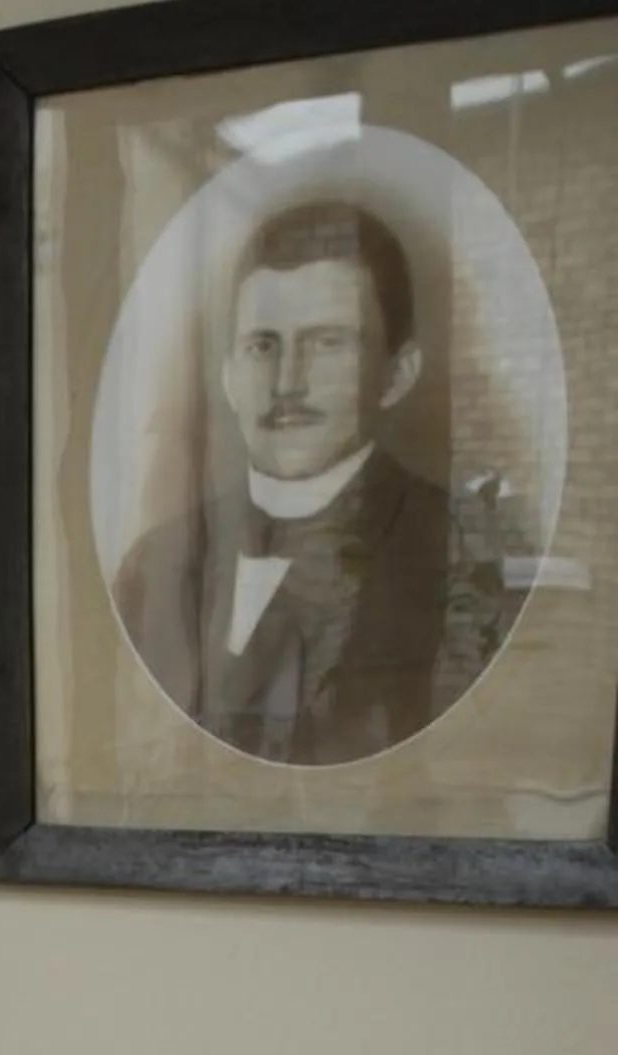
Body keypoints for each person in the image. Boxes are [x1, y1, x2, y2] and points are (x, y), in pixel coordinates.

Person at [112, 198, 515, 765]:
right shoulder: (152, 564)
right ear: (228, 376)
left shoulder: (455, 554)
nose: (287, 384)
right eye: (262, 346)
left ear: (397, 375)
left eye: (328, 343)